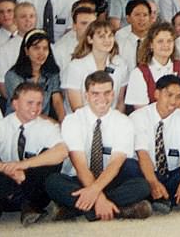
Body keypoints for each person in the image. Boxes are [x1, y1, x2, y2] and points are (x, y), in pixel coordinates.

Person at [45, 71, 153, 221]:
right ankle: (119, 210)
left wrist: (96, 192)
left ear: (113, 94)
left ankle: (78, 210)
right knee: (53, 182)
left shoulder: (123, 122)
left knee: (142, 186)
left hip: (108, 179)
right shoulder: (72, 121)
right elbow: (80, 166)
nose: (102, 98)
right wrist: (100, 199)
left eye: (107, 93)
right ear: (86, 95)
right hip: (78, 180)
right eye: (95, 93)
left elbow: (115, 164)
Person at [0, 83, 67, 226]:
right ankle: (21, 203)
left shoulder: (48, 127)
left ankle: (16, 204)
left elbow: (62, 151)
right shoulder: (0, 125)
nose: (35, 108)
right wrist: (5, 169)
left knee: (49, 157)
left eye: (39, 103)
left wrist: (22, 166)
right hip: (2, 184)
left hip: (31, 186)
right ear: (15, 104)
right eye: (30, 103)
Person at [124, 75, 180, 214]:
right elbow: (142, 154)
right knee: (129, 166)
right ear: (156, 94)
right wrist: (152, 182)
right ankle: (161, 196)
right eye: (169, 95)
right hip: (147, 173)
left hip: (171, 173)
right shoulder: (138, 117)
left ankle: (157, 199)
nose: (173, 101)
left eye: (178, 97)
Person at [123, 23, 180, 110]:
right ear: (151, 45)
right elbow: (141, 111)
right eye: (160, 41)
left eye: (169, 41)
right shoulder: (139, 73)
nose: (166, 45)